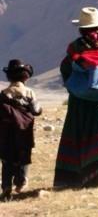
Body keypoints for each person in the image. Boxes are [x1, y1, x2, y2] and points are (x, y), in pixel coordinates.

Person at [54, 7, 98, 188]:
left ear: (80, 29)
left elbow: (66, 70)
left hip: (80, 102)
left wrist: (77, 87)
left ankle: (73, 177)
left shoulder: (74, 47)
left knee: (80, 135)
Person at [0, 60, 42, 200]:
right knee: (23, 157)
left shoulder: (3, 94)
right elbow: (36, 111)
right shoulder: (29, 93)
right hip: (24, 131)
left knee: (7, 160)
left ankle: (6, 186)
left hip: (6, 133)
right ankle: (20, 182)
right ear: (25, 77)